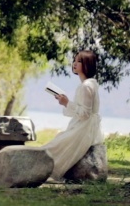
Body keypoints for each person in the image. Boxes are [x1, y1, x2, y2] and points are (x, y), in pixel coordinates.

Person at [37, 50, 104, 180]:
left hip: (85, 128)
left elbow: (85, 114)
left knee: (55, 146)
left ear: (87, 65)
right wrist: (66, 103)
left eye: (79, 61)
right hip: (85, 125)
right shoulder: (90, 84)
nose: (75, 63)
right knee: (57, 142)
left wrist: (67, 103)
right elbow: (83, 110)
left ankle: (41, 170)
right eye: (75, 60)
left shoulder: (86, 86)